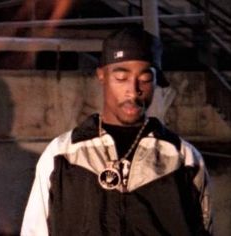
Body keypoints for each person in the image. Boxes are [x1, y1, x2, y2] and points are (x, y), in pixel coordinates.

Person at [21, 26, 212, 236]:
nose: (133, 90)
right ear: (101, 75)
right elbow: (35, 231)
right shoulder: (62, 155)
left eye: (146, 79)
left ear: (156, 81)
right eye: (121, 78)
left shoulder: (183, 159)